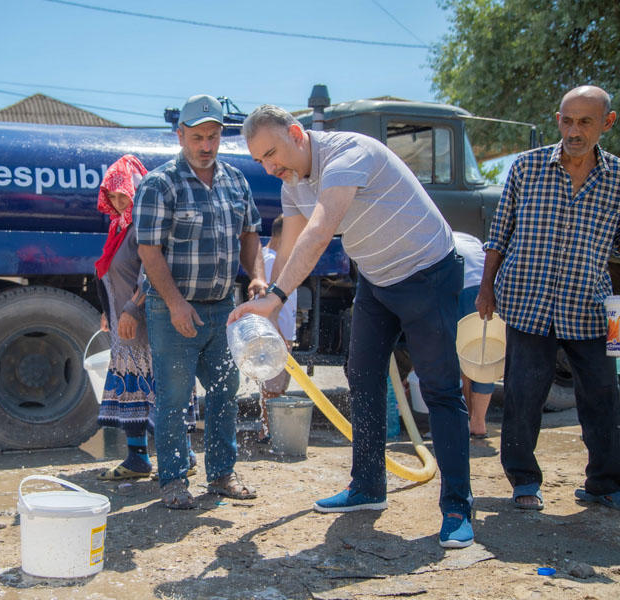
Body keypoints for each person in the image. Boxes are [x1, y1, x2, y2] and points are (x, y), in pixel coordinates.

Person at [229, 105, 474, 548]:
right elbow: (289, 246)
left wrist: (277, 298)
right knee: (361, 376)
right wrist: (270, 305)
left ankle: (457, 507)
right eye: (260, 160)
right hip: (378, 280)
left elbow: (319, 233)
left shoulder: (348, 155)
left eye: (272, 153)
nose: (270, 166)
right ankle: (368, 487)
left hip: (427, 272)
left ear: (297, 134)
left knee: (439, 389)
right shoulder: (291, 183)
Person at [476, 85, 620, 511]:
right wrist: (486, 288)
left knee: (604, 397)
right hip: (527, 300)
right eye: (567, 120)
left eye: (585, 121)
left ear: (607, 124)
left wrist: (619, 318)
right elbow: (498, 233)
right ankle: (523, 480)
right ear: (558, 119)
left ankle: (603, 483)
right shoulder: (527, 167)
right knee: (524, 395)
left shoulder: (618, 181)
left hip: (590, 308)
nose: (573, 130)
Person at [133, 94, 267, 509]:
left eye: (213, 137)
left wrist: (258, 276)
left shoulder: (235, 181)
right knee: (174, 396)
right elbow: (149, 251)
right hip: (172, 309)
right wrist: (174, 304)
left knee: (226, 390)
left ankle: (222, 474)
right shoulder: (160, 184)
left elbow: (250, 235)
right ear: (180, 136)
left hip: (222, 307)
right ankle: (173, 481)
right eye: (197, 137)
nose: (206, 145)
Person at [93, 155, 197, 481]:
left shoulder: (145, 225)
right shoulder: (119, 227)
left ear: (138, 189)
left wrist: (132, 308)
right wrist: (107, 310)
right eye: (112, 194)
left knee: (162, 392)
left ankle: (185, 455)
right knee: (134, 394)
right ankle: (137, 459)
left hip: (149, 324)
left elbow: (151, 272)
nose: (117, 199)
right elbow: (110, 273)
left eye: (123, 192)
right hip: (125, 330)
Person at [258, 214, 298, 443]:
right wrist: (280, 336)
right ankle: (268, 430)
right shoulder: (273, 260)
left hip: (279, 333)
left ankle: (270, 428)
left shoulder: (268, 256)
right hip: (276, 335)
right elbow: (269, 303)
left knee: (275, 385)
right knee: (272, 387)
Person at [452, 231, 495, 439]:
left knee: (458, 356)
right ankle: (479, 423)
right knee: (484, 357)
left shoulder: (434, 239)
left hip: (461, 288)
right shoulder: (469, 237)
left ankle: (463, 420)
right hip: (486, 288)